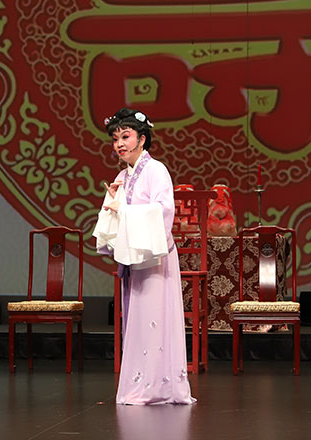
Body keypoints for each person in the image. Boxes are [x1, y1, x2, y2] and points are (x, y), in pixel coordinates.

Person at [94, 108, 194, 405]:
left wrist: (123, 210)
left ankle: (159, 386)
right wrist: (113, 202)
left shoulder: (156, 170)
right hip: (135, 258)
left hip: (154, 258)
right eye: (115, 139)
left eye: (125, 137)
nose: (119, 144)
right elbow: (115, 214)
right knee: (137, 321)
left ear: (142, 139)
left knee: (154, 319)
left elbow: (163, 212)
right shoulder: (123, 176)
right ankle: (141, 383)